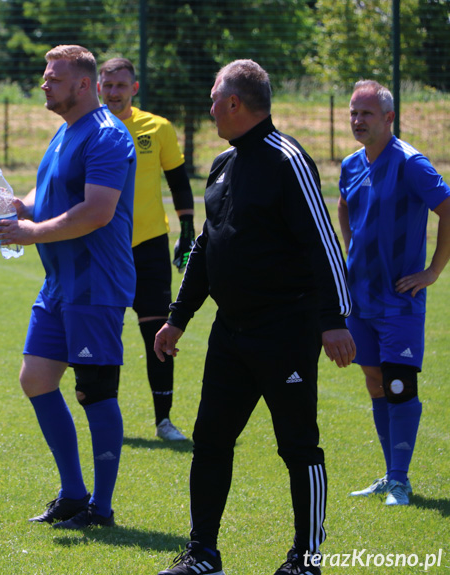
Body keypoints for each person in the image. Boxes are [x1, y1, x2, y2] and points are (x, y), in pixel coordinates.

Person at [154, 60, 356, 575]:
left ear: (235, 104)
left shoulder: (288, 160)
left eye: (215, 98)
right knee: (211, 439)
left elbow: (323, 244)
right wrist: (178, 318)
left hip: (286, 329)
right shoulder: (223, 164)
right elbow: (207, 246)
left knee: (298, 445)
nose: (210, 108)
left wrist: (335, 319)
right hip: (231, 332)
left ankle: (305, 559)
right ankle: (203, 555)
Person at [0, 45, 136, 529]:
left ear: (82, 85)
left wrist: (30, 233)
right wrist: (21, 206)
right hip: (60, 283)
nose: (44, 84)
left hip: (95, 282)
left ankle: (102, 507)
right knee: (35, 379)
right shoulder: (65, 132)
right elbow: (49, 192)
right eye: (45, 75)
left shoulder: (108, 136)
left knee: (95, 391)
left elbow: (97, 211)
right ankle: (74, 494)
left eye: (53, 77)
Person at [338, 80, 450, 507]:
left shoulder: (411, 163)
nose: (357, 120)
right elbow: (345, 207)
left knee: (400, 383)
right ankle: (389, 475)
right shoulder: (351, 164)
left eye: (366, 113)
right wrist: (350, 247)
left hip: (401, 298)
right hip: (360, 296)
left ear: (389, 118)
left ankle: (400, 481)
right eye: (353, 112)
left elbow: (447, 208)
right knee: (374, 380)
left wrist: (433, 271)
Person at [98, 57, 194, 441]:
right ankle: (107, 420)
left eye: (121, 85)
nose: (114, 92)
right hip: (104, 245)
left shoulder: (157, 128)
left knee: (159, 332)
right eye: (108, 85)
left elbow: (178, 181)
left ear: (134, 88)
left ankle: (164, 420)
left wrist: (187, 230)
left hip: (150, 245)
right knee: (105, 333)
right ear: (97, 86)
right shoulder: (89, 129)